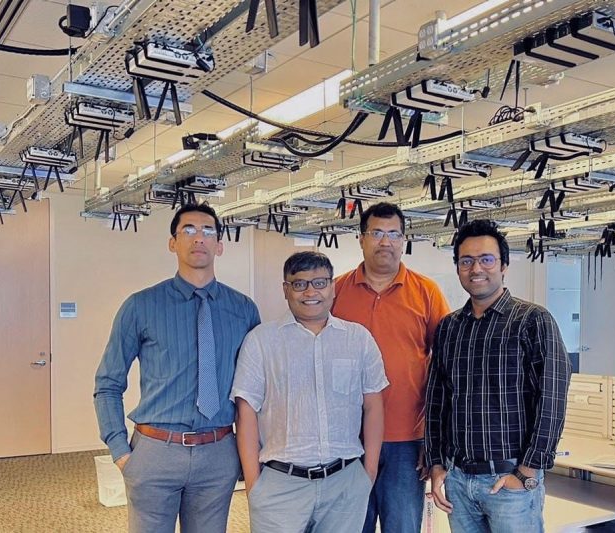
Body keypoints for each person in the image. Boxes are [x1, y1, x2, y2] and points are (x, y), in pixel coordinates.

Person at [93, 203, 260, 533]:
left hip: (218, 452)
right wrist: (120, 451)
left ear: (220, 245)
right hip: (155, 452)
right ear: (173, 243)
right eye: (188, 230)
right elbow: (108, 382)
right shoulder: (141, 306)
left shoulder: (243, 309)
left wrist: (252, 450)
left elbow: (255, 390)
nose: (199, 238)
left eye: (208, 231)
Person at [425, 219, 572, 533]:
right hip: (459, 481)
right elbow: (438, 401)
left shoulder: (532, 320)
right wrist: (437, 464)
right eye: (466, 261)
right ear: (458, 267)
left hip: (509, 482)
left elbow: (552, 400)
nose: (476, 268)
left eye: (486, 259)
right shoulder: (450, 327)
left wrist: (527, 472)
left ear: (504, 265)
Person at [232, 251, 389, 533]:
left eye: (319, 283)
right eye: (299, 283)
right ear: (286, 289)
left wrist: (369, 472)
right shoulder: (261, 341)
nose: (310, 292)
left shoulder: (358, 339)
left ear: (332, 287)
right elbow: (246, 413)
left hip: (345, 482)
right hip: (280, 484)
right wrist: (254, 485)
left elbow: (373, 406)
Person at [332, 202, 450, 533]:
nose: (386, 242)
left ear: (403, 240)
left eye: (394, 234)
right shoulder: (337, 291)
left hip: (406, 440)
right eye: (377, 233)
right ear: (361, 238)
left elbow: (444, 367)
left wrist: (435, 438)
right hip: (347, 439)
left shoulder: (426, 292)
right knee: (352, 526)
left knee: (402, 526)